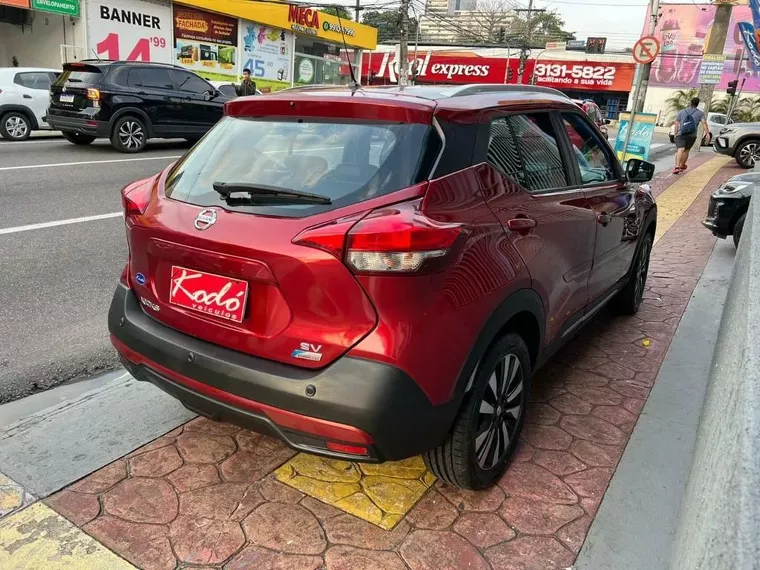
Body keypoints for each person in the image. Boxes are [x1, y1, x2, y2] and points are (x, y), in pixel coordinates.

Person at [672, 97, 709, 175]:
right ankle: (682, 166)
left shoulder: (682, 111)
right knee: (686, 150)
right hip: (692, 135)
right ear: (697, 104)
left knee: (680, 149)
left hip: (681, 134)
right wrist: (707, 133)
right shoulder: (700, 113)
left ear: (690, 103)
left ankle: (676, 166)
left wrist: (675, 133)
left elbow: (676, 123)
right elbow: (704, 123)